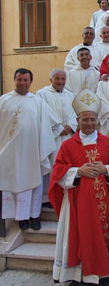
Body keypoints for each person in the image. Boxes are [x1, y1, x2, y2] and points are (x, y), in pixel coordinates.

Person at [49, 89, 109, 284]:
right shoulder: (68, 145)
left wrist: (107, 168)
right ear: (78, 121)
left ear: (98, 121)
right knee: (83, 234)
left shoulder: (108, 143)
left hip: (106, 202)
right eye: (85, 120)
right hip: (79, 201)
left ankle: (107, 270)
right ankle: (82, 273)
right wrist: (78, 171)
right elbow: (58, 172)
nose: (89, 123)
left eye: (93, 119)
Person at [0, 68, 57, 230]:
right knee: (12, 184)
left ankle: (34, 216)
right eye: (19, 80)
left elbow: (47, 125)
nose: (22, 83)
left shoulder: (37, 101)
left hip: (32, 152)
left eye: (25, 80)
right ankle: (21, 218)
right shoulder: (4, 100)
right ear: (14, 80)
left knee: (34, 185)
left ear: (30, 82)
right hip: (9, 152)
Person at [36, 69, 77, 201]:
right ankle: (49, 198)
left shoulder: (71, 95)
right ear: (51, 80)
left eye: (62, 79)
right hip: (52, 135)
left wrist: (71, 125)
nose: (60, 81)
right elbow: (45, 112)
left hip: (68, 134)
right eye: (57, 78)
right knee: (53, 164)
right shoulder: (42, 94)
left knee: (68, 164)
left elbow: (76, 112)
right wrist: (59, 128)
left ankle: (67, 192)